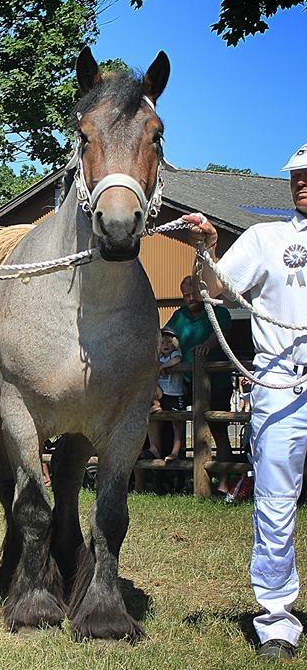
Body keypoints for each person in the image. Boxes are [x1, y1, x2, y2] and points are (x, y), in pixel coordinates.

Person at [183, 140, 307, 661]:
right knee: (275, 506)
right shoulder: (266, 237)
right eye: (297, 175)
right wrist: (208, 248)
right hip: (285, 389)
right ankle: (277, 620)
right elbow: (216, 288)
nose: (301, 182)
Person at [164, 274, 234, 493]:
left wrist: (206, 346)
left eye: (193, 294)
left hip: (216, 381)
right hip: (184, 381)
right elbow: (165, 336)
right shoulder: (179, 316)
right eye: (185, 295)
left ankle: (223, 483)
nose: (189, 299)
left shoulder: (219, 312)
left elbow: (219, 334)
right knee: (175, 425)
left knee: (218, 430)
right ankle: (181, 480)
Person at [146, 327, 186, 462]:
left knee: (176, 424)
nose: (166, 345)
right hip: (162, 394)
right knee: (154, 418)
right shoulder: (158, 358)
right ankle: (154, 448)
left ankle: (175, 451)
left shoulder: (174, 355)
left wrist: (162, 367)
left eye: (169, 342)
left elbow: (177, 360)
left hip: (174, 394)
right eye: (162, 343)